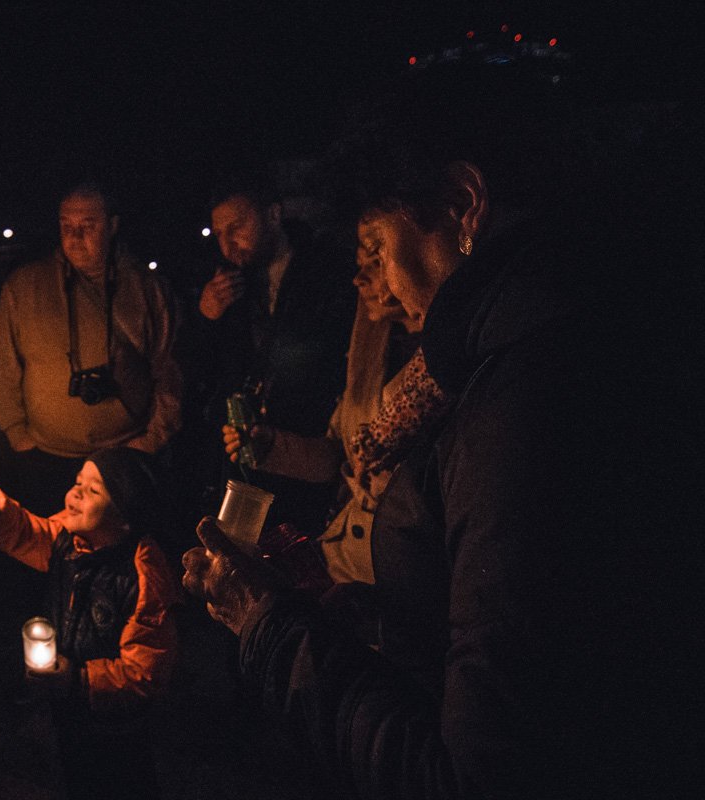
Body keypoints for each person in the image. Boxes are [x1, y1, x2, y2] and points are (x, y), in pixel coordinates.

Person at [181, 78, 698, 798]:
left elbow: (474, 771)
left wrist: (267, 625)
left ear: (461, 207)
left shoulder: (525, 401)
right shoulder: (529, 346)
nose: (382, 279)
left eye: (384, 245)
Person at [0, 446, 179, 800]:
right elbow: (26, 532)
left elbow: (145, 673)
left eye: (94, 489)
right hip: (69, 704)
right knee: (77, 773)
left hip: (117, 721)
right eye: (78, 481)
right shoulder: (68, 541)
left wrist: (79, 678)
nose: (76, 492)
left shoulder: (144, 578)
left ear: (125, 516)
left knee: (123, 782)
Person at [221, 239, 439, 586]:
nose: (358, 279)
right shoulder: (372, 351)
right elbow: (341, 455)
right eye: (359, 263)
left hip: (395, 573)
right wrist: (271, 446)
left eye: (375, 263)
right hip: (345, 559)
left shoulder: (438, 372)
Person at [0, 182, 182, 515]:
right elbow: (4, 366)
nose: (75, 237)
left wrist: (153, 439)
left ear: (113, 225)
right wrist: (17, 434)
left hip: (125, 454)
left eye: (88, 226)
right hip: (46, 458)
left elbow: (171, 370)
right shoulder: (24, 286)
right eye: (66, 226)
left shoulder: (145, 288)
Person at [194, 176, 354, 533]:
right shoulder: (229, 284)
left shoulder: (324, 272)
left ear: (273, 214)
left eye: (237, 227)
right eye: (219, 233)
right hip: (243, 448)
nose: (228, 243)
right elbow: (202, 367)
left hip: (305, 444)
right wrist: (206, 317)